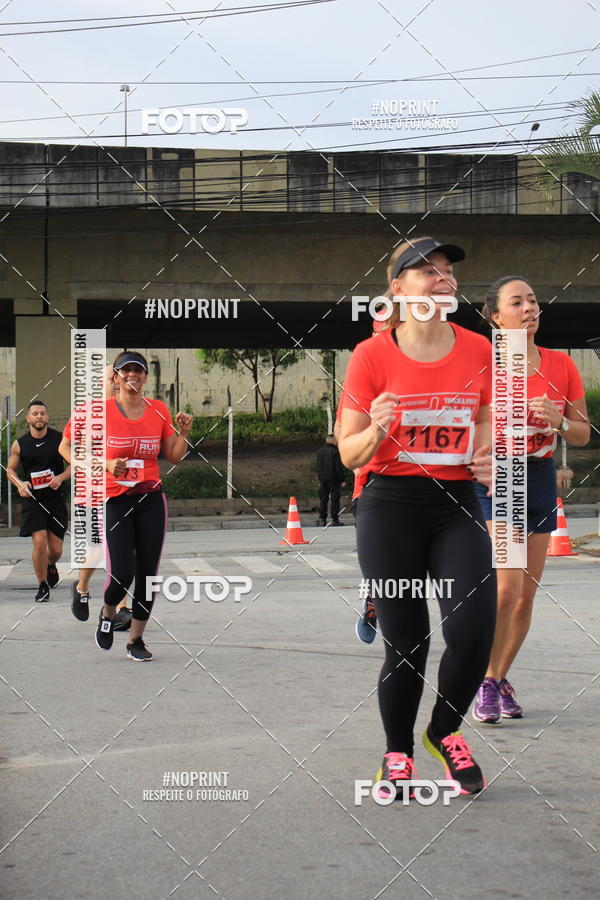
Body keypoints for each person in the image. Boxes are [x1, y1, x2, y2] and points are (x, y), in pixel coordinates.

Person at [339, 236, 497, 797]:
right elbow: (349, 455)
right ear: (398, 288)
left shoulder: (479, 349)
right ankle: (398, 752)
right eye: (427, 270)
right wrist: (378, 428)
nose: (442, 277)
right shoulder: (371, 356)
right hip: (389, 505)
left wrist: (485, 457)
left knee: (476, 630)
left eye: (448, 270)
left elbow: (482, 423)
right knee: (407, 642)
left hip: (455, 504)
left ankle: (444, 732)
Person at [472, 277, 590, 723]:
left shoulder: (561, 365)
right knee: (506, 589)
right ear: (496, 317)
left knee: (525, 596)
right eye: (517, 302)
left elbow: (581, 434)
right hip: (497, 478)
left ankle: (497, 677)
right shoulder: (481, 367)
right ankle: (486, 680)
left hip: (538, 476)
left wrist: (559, 420)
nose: (530, 308)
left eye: (534, 300)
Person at [97, 350, 192, 661]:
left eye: (139, 371)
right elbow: (80, 453)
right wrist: (107, 463)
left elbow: (174, 456)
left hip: (151, 498)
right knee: (122, 573)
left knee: (148, 575)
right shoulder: (103, 411)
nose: (133, 376)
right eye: (127, 371)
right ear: (117, 376)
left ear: (146, 377)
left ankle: (135, 640)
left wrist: (184, 432)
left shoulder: (159, 409)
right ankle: (108, 611)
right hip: (116, 499)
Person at [59, 365, 131, 629]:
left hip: (125, 492)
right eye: (111, 378)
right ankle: (81, 587)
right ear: (101, 383)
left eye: (120, 378)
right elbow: (64, 447)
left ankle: (122, 609)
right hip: (92, 494)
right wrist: (86, 463)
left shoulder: (132, 412)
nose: (116, 382)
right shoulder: (86, 412)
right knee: (100, 550)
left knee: (124, 552)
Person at [7, 400, 70, 601]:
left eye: (42, 413)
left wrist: (60, 478)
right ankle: (42, 585)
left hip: (54, 500)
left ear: (47, 417)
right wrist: (19, 484)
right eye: (35, 414)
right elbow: (10, 470)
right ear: (28, 418)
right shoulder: (20, 444)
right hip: (33, 500)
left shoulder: (59, 440)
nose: (39, 417)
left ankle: (51, 564)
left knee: (56, 550)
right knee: (39, 541)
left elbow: (73, 464)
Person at [315, 435, 346, 526]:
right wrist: (342, 479)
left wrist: (319, 477)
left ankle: (322, 519)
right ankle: (334, 519)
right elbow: (338, 467)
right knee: (334, 499)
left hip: (322, 479)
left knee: (323, 499)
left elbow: (318, 465)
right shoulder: (335, 452)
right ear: (333, 441)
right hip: (333, 479)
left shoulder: (319, 451)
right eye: (336, 440)